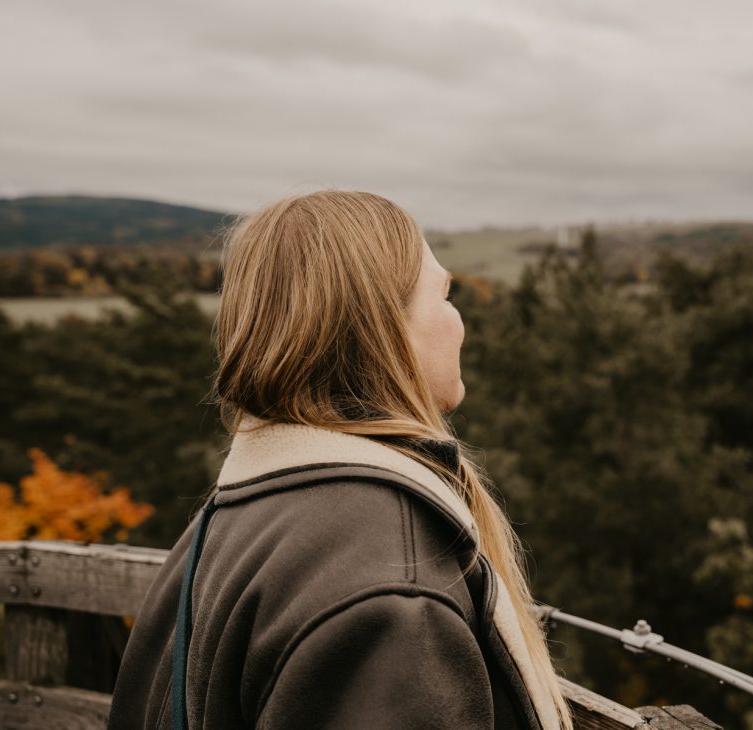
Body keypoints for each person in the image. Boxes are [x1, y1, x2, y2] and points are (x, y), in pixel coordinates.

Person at [108, 191, 573, 729]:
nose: (458, 322)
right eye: (444, 296)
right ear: (382, 327)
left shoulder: (234, 514)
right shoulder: (395, 589)